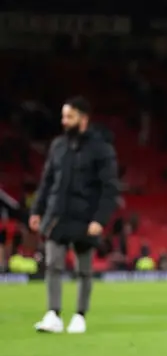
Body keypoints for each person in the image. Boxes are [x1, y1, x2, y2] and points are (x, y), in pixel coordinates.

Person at [30, 96, 119, 334]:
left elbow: (109, 188)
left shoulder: (101, 149)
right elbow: (47, 181)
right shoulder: (58, 146)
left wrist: (100, 219)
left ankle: (80, 316)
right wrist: (37, 210)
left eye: (69, 116)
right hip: (57, 215)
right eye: (63, 116)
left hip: (85, 217)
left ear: (83, 119)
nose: (64, 121)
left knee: (84, 270)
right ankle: (53, 314)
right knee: (52, 265)